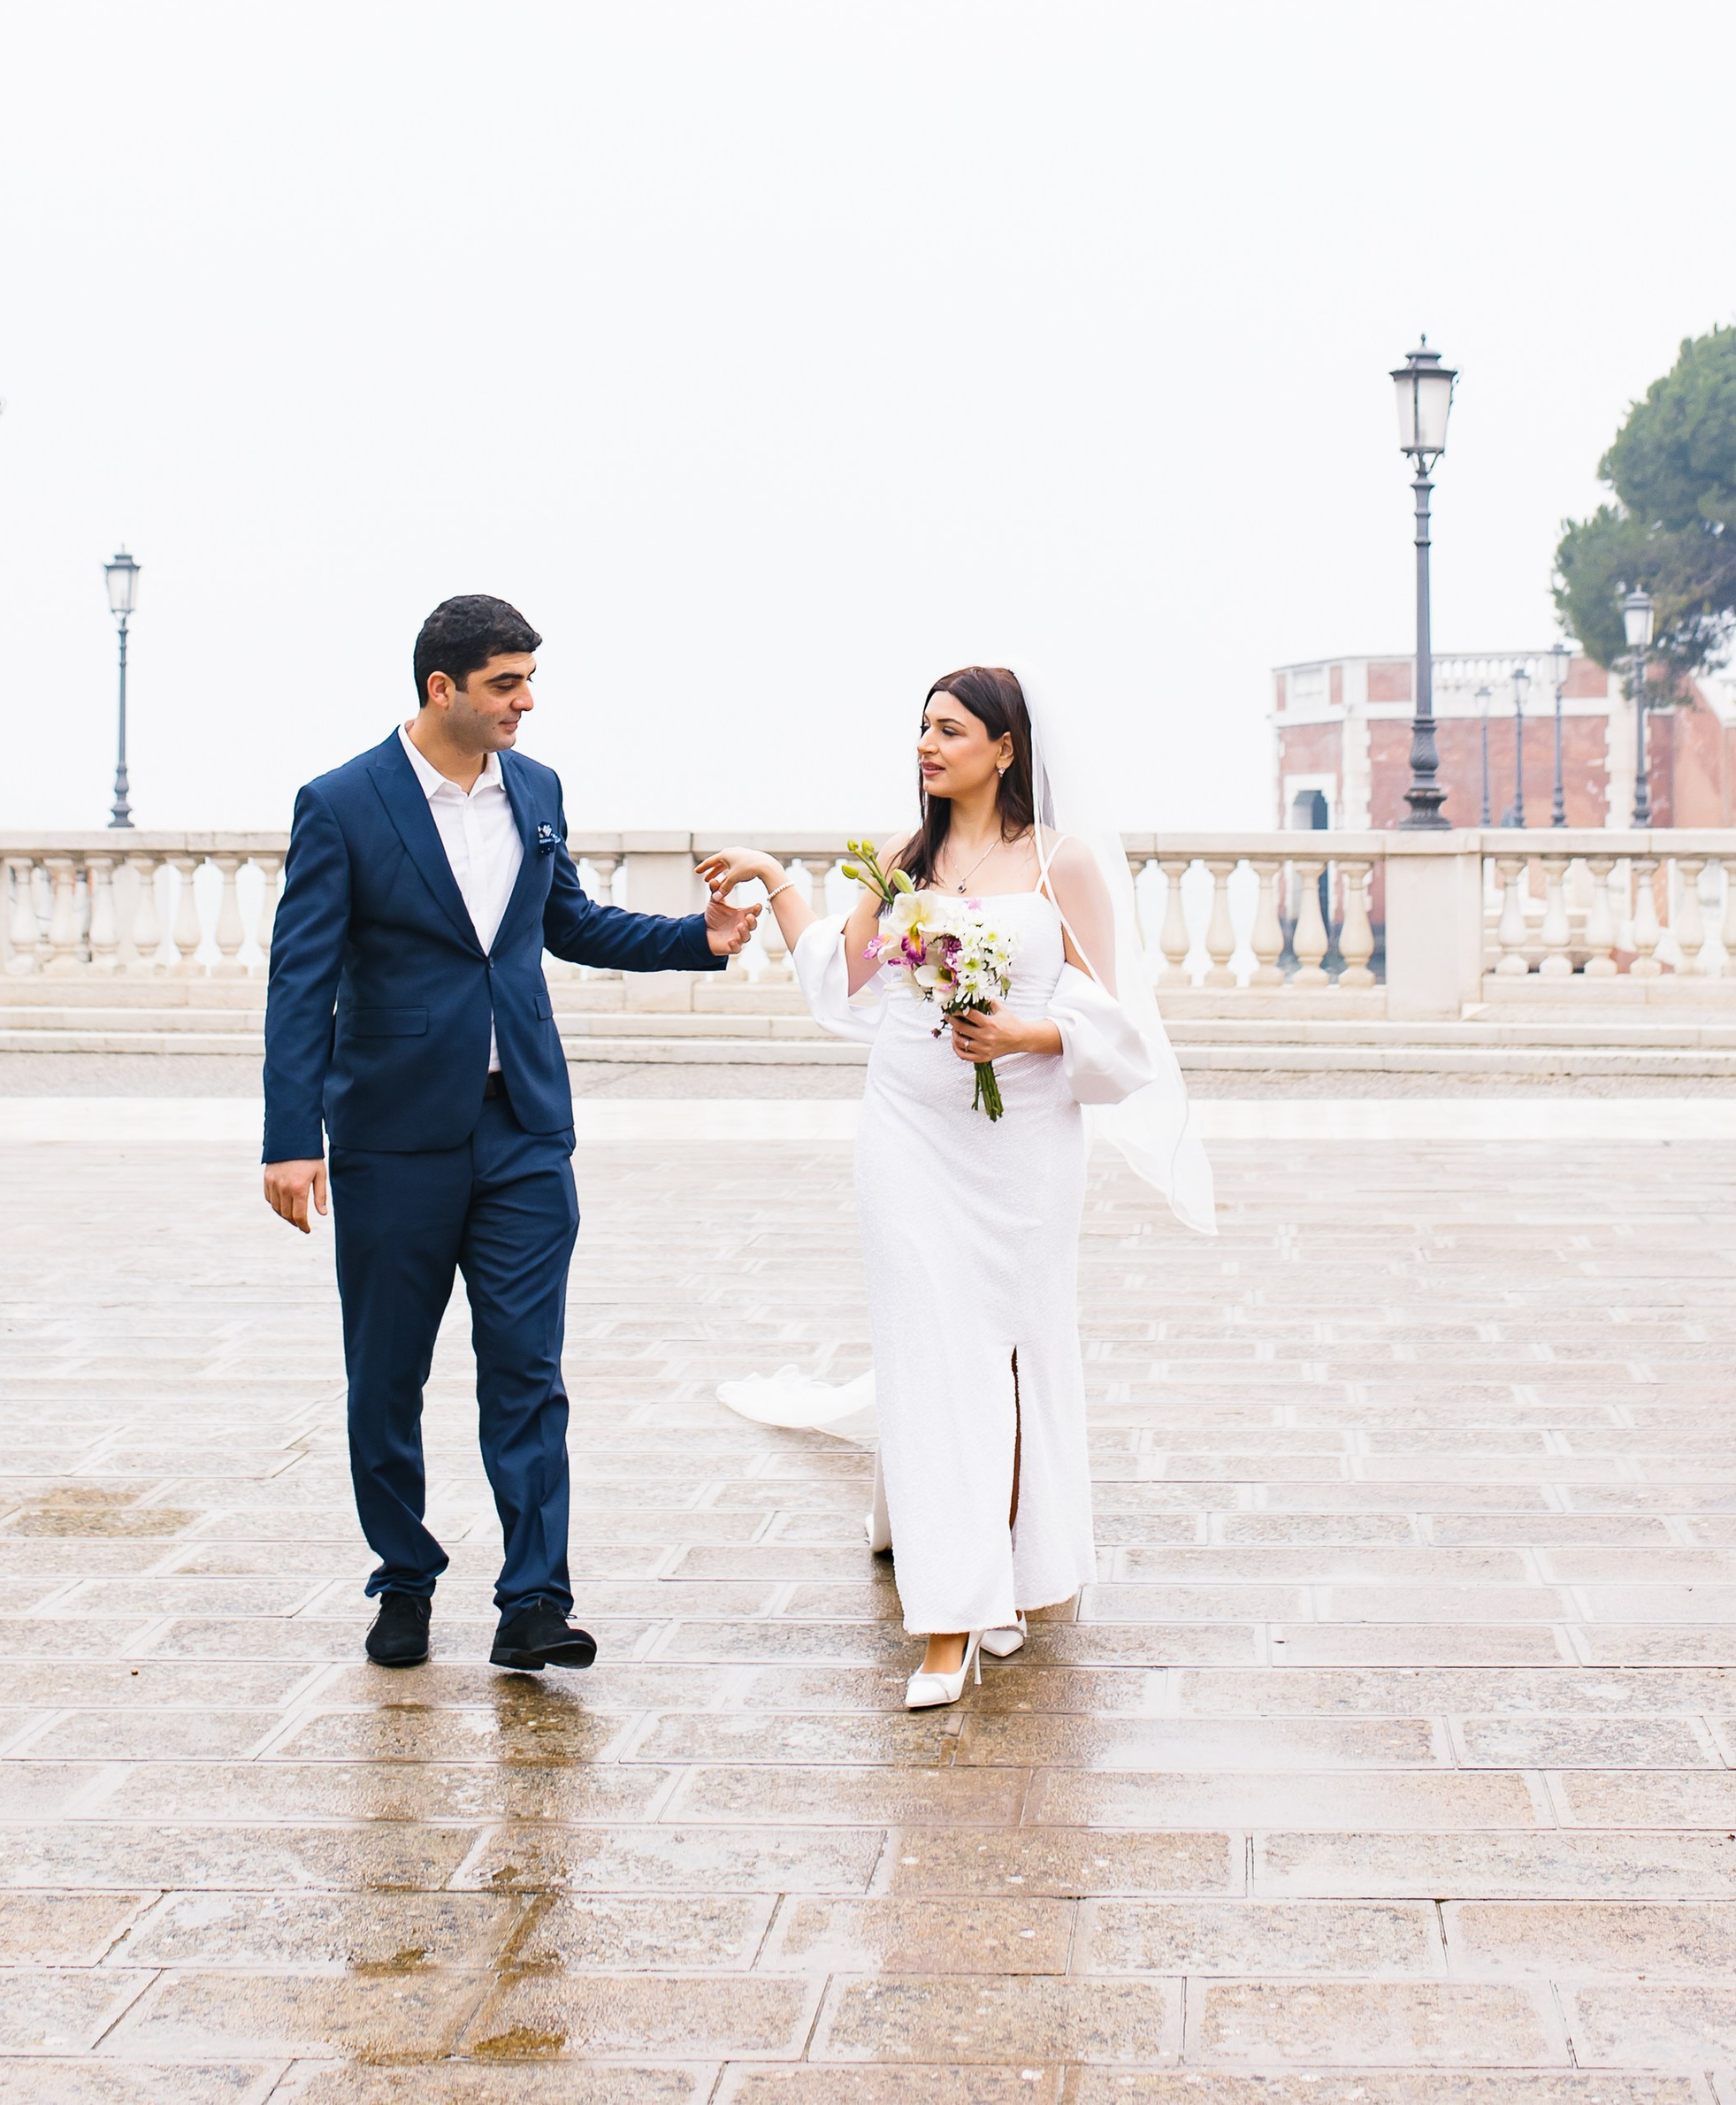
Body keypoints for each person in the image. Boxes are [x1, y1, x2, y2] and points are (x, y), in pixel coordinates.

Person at [262, 593, 760, 1679]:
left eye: (529, 680)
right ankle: (403, 1578)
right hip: (392, 1135)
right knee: (385, 1377)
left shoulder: (536, 790)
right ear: (441, 687)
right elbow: (300, 979)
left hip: (524, 1130)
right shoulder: (340, 803)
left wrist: (699, 938)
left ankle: (535, 1599)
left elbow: (565, 921)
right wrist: (290, 1134)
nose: (525, 701)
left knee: (527, 1371)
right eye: (505, 683)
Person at [700, 663, 1214, 1711]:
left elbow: (1115, 1024)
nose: (926, 746)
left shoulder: (1061, 864)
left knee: (1010, 1355)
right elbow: (841, 977)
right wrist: (777, 880)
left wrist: (1028, 1031)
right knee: (927, 1352)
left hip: (1023, 1143)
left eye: (949, 730)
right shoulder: (902, 860)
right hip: (905, 1132)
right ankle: (947, 1620)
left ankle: (1010, 1573)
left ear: (1004, 747)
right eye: (922, 728)